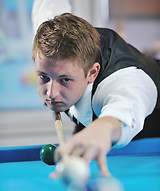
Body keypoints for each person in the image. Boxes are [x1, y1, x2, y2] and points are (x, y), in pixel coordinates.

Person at [32, 10, 160, 176]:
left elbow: (126, 108)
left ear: (92, 73)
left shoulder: (124, 83)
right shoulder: (49, 38)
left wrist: (102, 128)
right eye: (44, 76)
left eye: (64, 80)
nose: (51, 93)